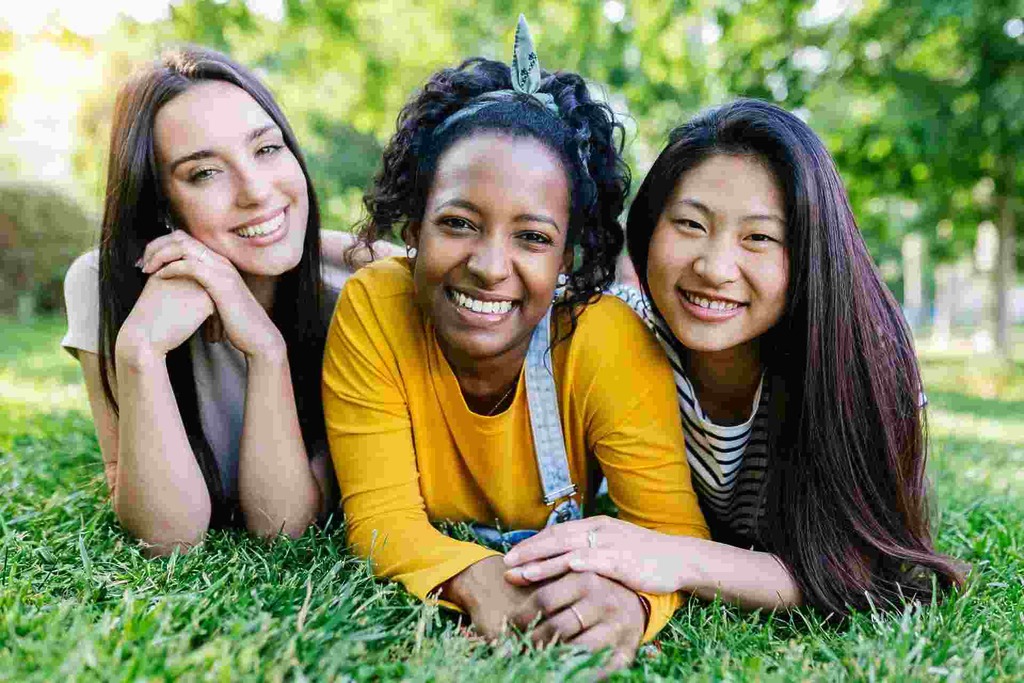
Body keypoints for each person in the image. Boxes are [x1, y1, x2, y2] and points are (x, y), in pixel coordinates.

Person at [321, 17, 708, 671]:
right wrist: (475, 579)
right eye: (458, 223)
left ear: (566, 256)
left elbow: (673, 534)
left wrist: (632, 604)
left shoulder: (602, 336)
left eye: (531, 237)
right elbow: (381, 519)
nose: (489, 265)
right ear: (414, 224)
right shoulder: (376, 308)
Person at [504, 99, 964, 616]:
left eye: (759, 238)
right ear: (650, 229)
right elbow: (515, 288)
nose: (715, 267)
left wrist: (671, 556)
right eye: (691, 225)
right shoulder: (623, 331)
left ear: (810, 252)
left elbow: (850, 572)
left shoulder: (856, 362)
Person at [61, 46, 385, 556]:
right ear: (160, 206)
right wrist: (140, 350)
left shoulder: (351, 297)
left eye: (267, 149)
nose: (256, 191)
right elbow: (167, 536)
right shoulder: (103, 283)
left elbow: (284, 527)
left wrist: (265, 349)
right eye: (205, 173)